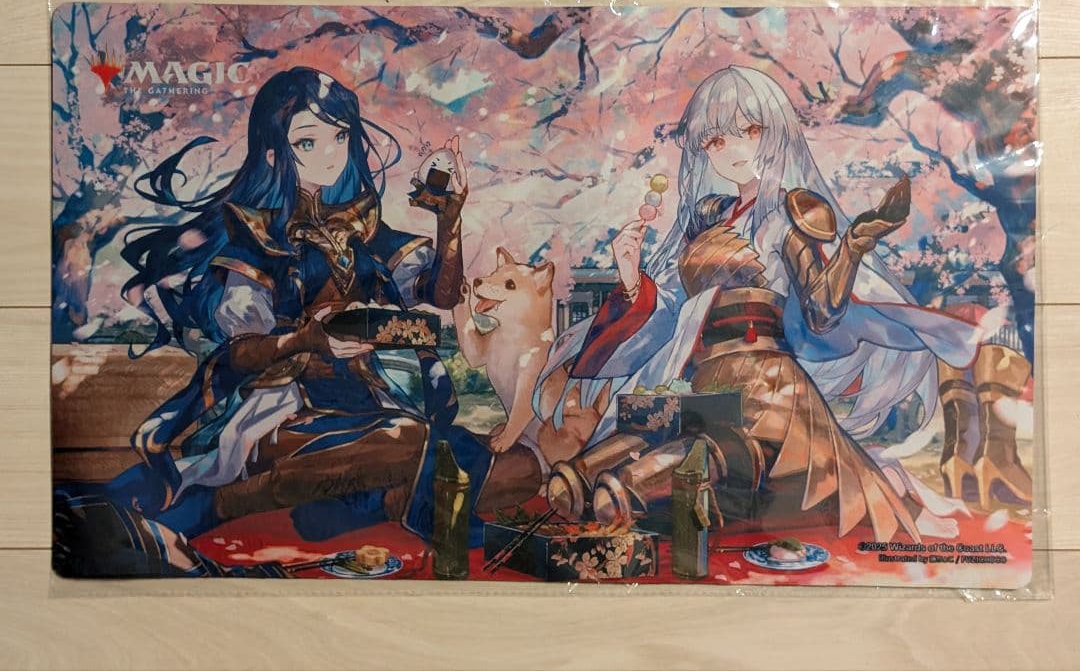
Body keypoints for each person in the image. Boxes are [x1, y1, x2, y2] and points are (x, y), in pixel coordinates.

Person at [54, 67, 539, 576]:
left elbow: (440, 294)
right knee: (408, 440)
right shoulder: (256, 237)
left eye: (340, 136)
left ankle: (368, 506)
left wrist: (449, 217)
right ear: (274, 152)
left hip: (367, 405)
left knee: (522, 471)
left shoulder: (359, 225)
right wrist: (308, 339)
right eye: (308, 141)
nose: (330, 153)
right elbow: (241, 352)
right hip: (282, 411)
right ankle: (219, 507)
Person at [534, 65, 981, 541]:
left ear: (773, 132)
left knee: (659, 473)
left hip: (768, 387)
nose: (731, 149)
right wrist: (630, 278)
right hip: (703, 379)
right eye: (714, 141)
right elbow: (670, 312)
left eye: (747, 131)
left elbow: (822, 313)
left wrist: (852, 247)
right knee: (586, 473)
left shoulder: (793, 214)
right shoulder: (708, 218)